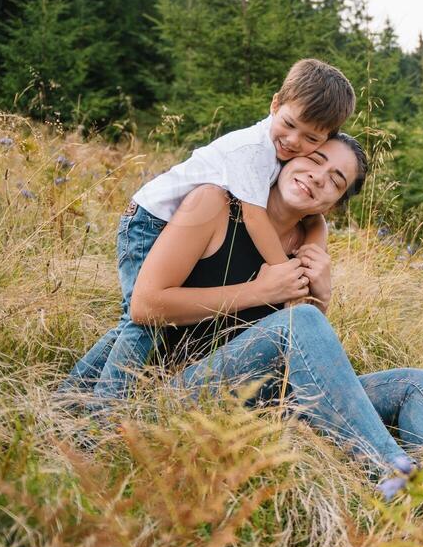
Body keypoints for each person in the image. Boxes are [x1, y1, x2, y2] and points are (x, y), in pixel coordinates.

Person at [63, 134, 423, 476]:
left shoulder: (306, 246)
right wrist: (261, 291)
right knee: (300, 321)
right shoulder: (214, 205)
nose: (317, 177)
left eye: (335, 180)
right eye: (315, 159)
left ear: (333, 205)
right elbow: (145, 306)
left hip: (262, 400)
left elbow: (296, 350)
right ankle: (392, 477)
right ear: (289, 154)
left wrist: (320, 299)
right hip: (172, 395)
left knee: (415, 384)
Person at [65, 58, 355, 404]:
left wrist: (314, 246)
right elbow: (254, 217)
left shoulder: (280, 155)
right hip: (148, 222)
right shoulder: (253, 150)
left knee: (136, 323)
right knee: (143, 322)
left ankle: (71, 397)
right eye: (289, 124)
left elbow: (314, 219)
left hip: (172, 222)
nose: (293, 141)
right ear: (275, 103)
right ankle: (102, 410)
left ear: (324, 138)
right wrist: (283, 273)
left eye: (310, 138)